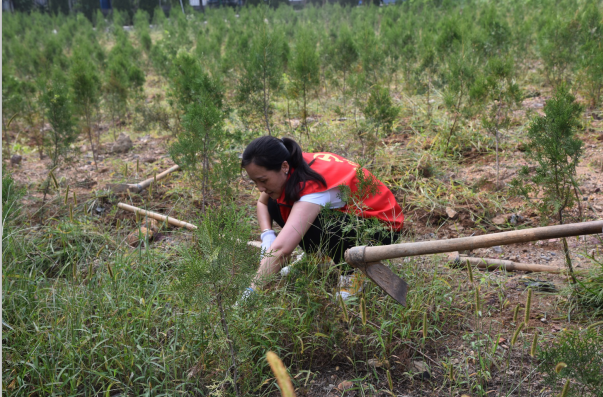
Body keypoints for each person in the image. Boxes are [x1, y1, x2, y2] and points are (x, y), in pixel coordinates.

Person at [241, 136, 404, 300]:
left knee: (319, 222)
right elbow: (262, 203)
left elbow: (282, 250)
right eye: (255, 182)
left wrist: (251, 291)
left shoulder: (313, 186)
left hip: (381, 227)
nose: (260, 188)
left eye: (263, 180)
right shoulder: (291, 164)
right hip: (351, 216)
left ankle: (352, 272)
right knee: (274, 203)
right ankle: (318, 257)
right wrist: (267, 235)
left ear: (284, 166)